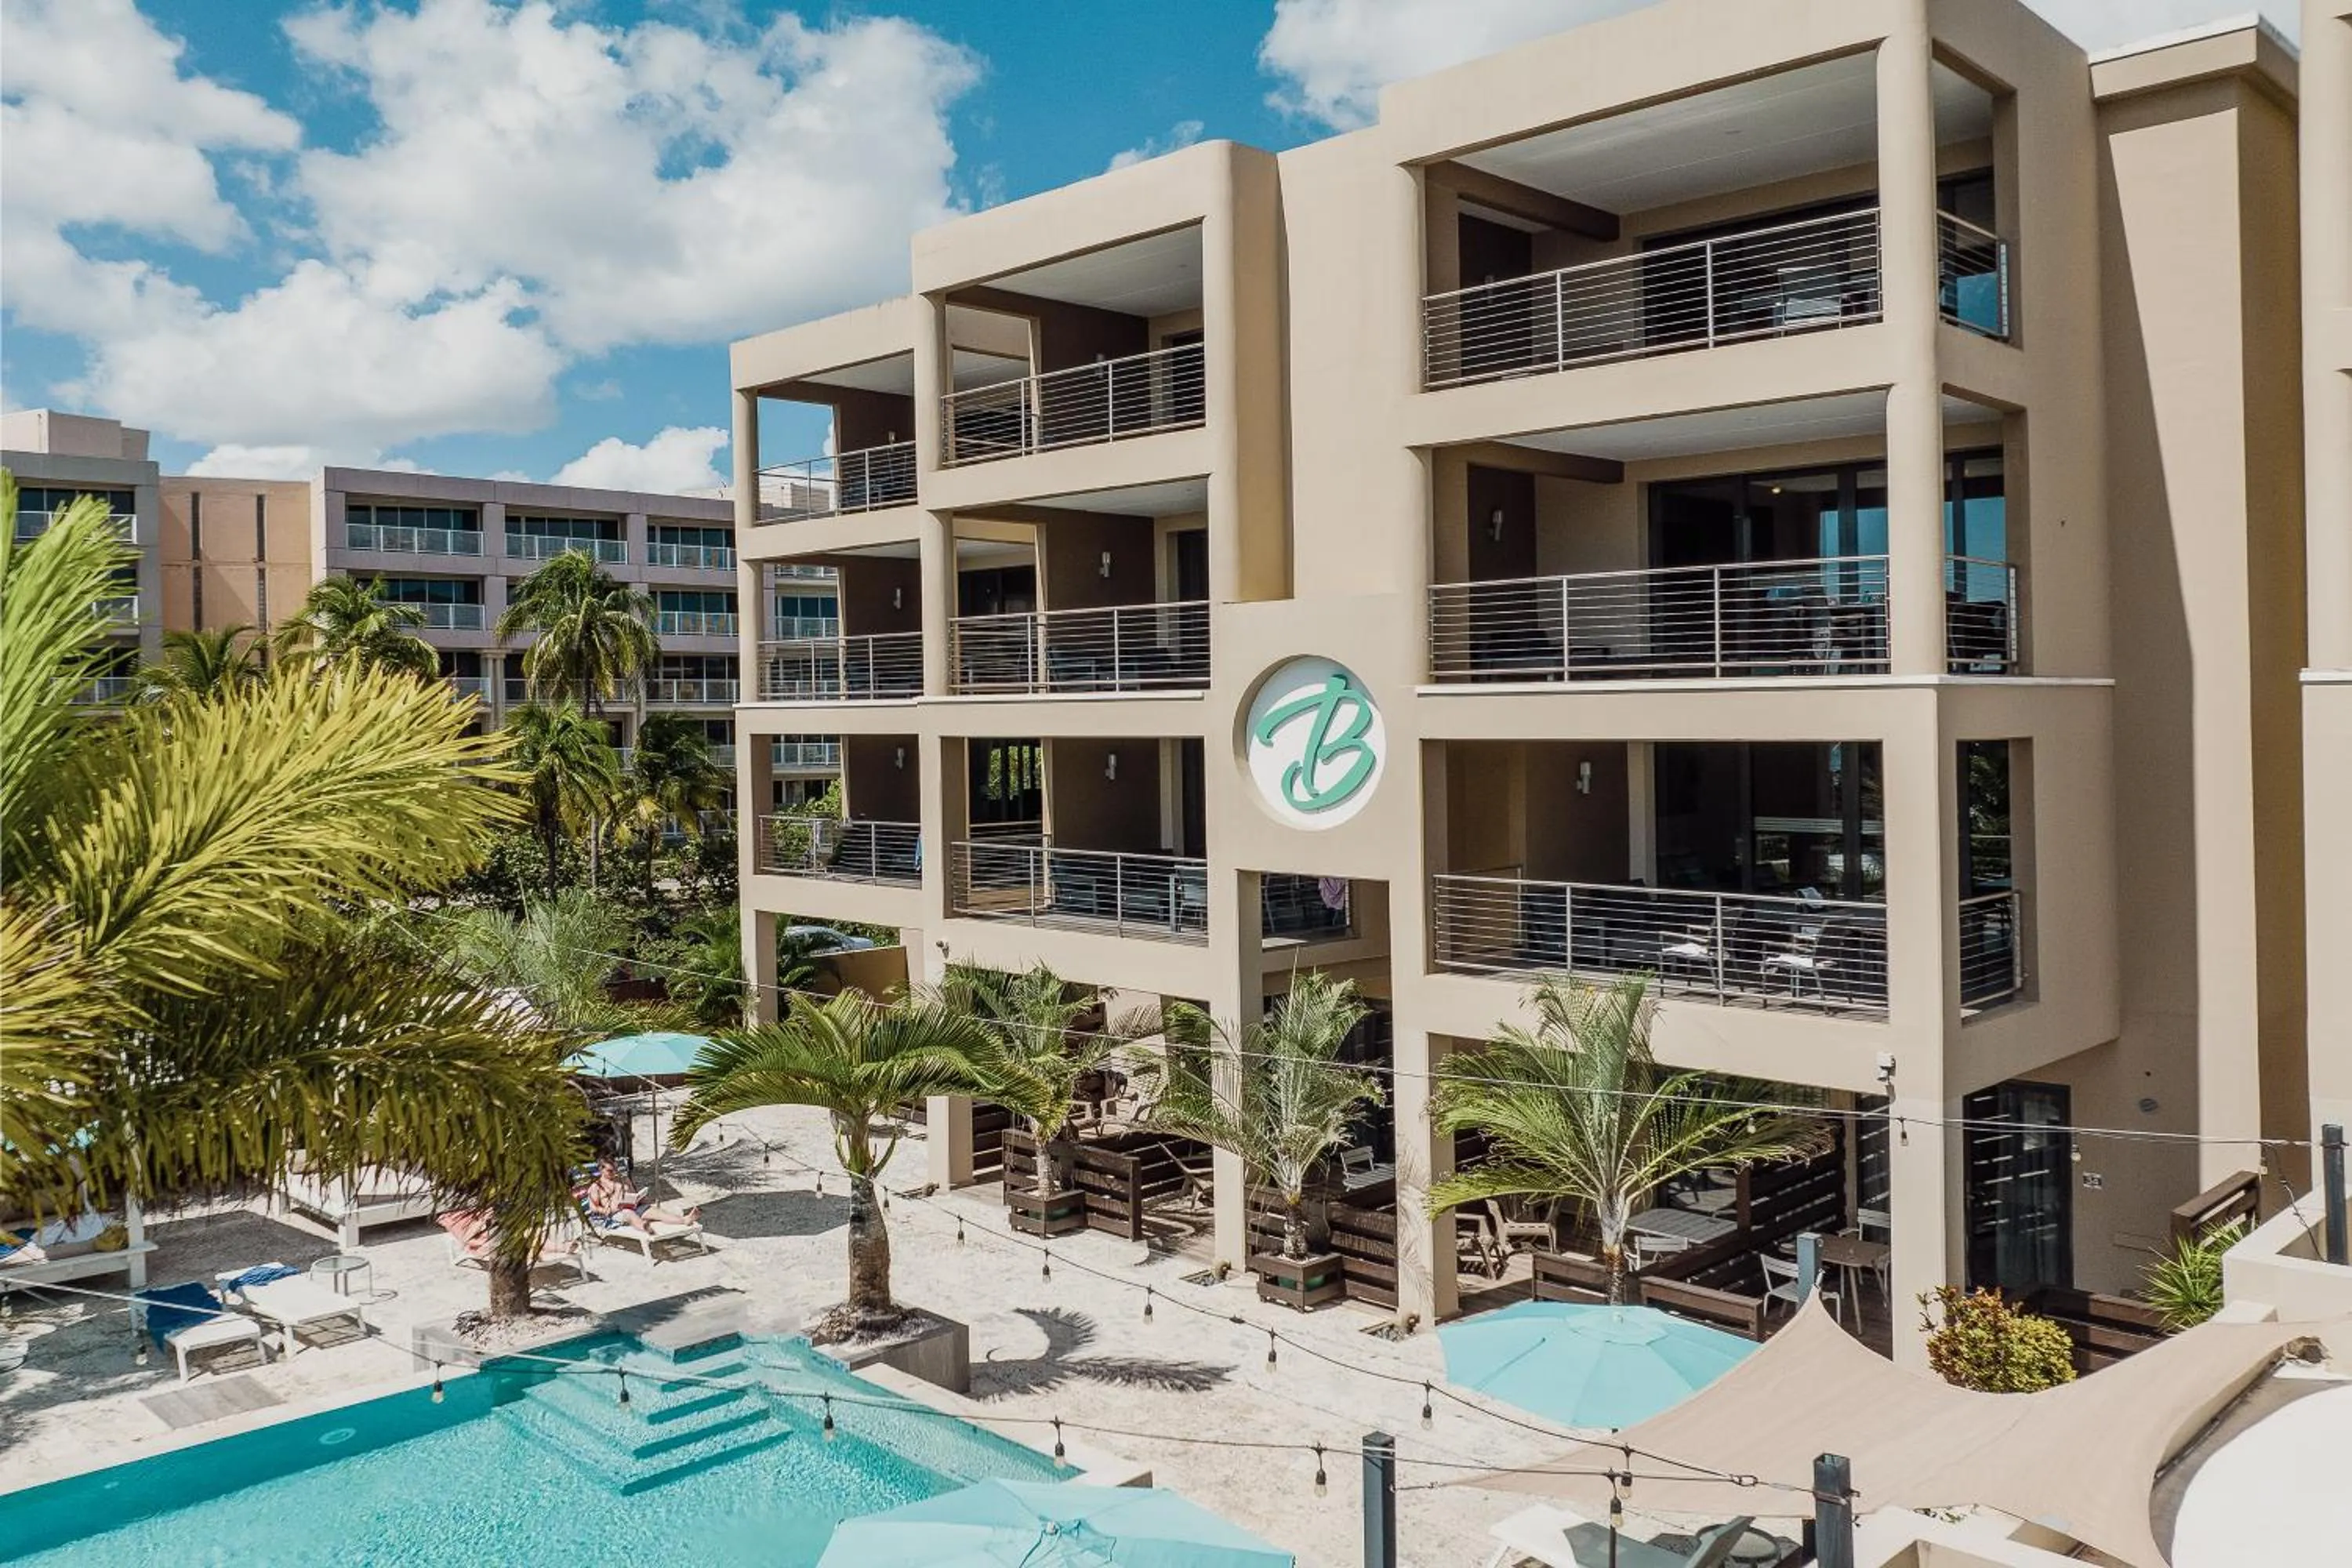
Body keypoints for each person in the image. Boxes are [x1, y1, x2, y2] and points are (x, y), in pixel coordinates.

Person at [580, 1158, 697, 1234]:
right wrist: (605, 1210)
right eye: (610, 1170)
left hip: (635, 1207)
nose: (614, 1172)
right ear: (601, 1170)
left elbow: (633, 1194)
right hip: (616, 1213)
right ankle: (644, 1227)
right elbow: (593, 1207)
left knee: (657, 1212)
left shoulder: (624, 1179)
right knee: (629, 1214)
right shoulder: (596, 1187)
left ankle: (684, 1220)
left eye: (615, 1169)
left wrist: (641, 1198)